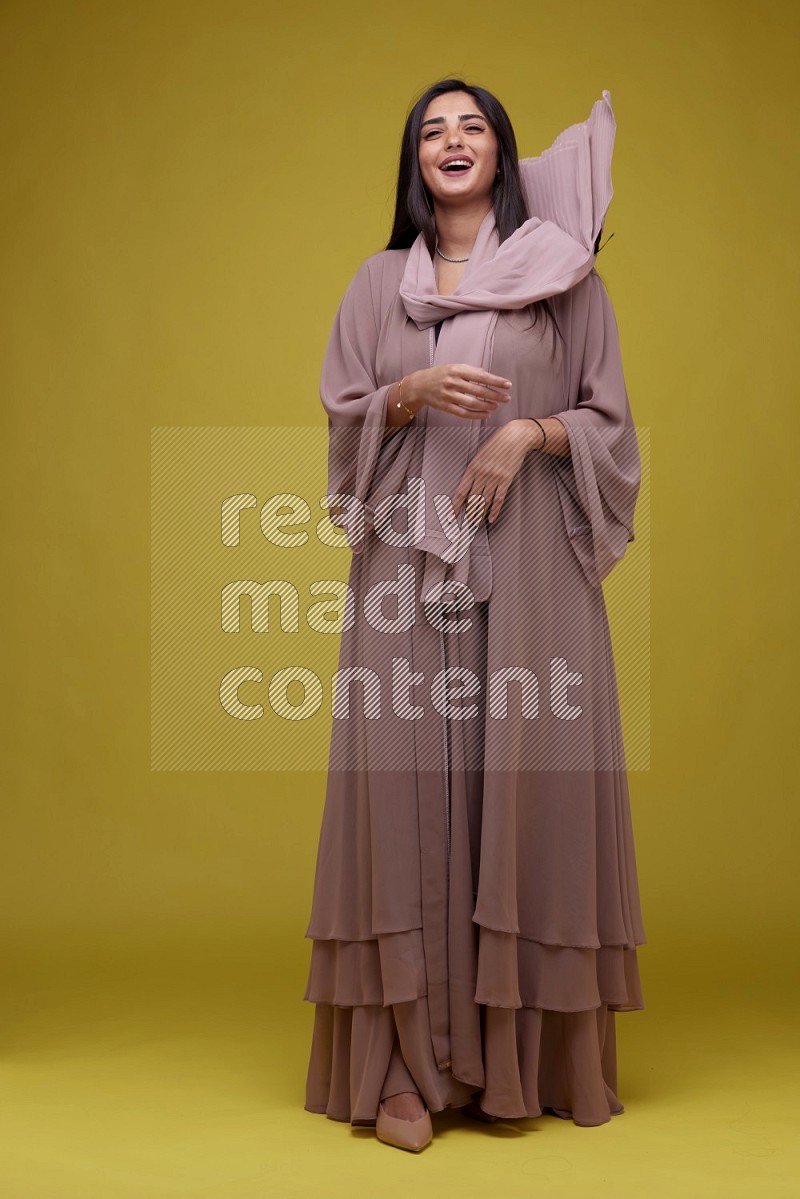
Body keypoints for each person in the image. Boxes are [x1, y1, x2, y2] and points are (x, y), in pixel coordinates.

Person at [302, 78, 647, 1153]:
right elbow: (346, 419)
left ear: (501, 153)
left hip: (532, 569)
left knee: (525, 783)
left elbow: (608, 419)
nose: (453, 140)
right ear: (415, 161)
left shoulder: (566, 280)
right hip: (406, 568)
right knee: (400, 791)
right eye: (432, 129)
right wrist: (408, 397)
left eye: (474, 126)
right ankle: (404, 1063)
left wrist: (525, 433)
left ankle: (517, 1063)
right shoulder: (374, 285)